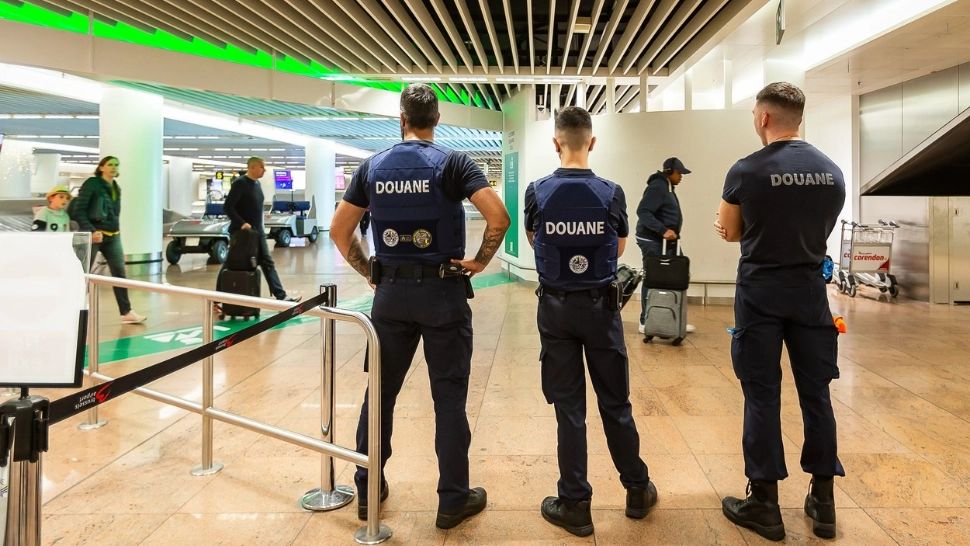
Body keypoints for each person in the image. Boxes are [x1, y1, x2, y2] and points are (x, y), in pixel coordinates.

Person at [329, 83, 509, 529]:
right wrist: (479, 262)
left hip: (390, 297)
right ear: (437, 120)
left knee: (381, 394)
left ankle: (368, 489)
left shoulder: (372, 167)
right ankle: (452, 500)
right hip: (444, 294)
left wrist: (370, 271)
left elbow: (339, 230)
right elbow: (499, 217)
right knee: (449, 398)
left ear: (402, 119)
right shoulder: (454, 162)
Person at [715, 82, 846, 542]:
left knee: (762, 395)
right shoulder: (832, 172)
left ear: (765, 118)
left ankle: (765, 504)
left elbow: (729, 232)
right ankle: (823, 502)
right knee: (817, 396)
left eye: (754, 113)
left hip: (761, 294)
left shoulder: (746, 170)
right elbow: (821, 229)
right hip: (811, 292)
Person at [524, 106, 657, 537]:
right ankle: (637, 490)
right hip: (602, 310)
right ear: (592, 142)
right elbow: (618, 249)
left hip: (556, 310)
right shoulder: (611, 191)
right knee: (616, 404)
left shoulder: (536, 191)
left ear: (556, 142)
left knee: (569, 409)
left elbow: (534, 240)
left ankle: (575, 503)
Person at [71, 156, 147, 324]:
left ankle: (126, 312)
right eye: (110, 164)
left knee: (119, 273)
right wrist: (91, 231)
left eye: (116, 165)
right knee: (82, 273)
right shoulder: (92, 184)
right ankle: (73, 308)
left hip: (113, 236)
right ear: (101, 167)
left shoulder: (115, 187)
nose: (113, 167)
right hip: (94, 236)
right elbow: (79, 210)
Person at [223, 156, 300, 302]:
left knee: (267, 262)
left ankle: (281, 295)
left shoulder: (256, 184)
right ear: (252, 167)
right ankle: (218, 298)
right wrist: (242, 223)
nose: (264, 170)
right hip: (242, 234)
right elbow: (228, 207)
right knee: (232, 264)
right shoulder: (240, 184)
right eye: (261, 167)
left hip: (257, 233)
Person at [635, 157, 695, 334]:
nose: (681, 176)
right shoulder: (658, 187)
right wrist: (662, 230)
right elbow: (643, 211)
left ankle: (674, 320)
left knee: (678, 275)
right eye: (679, 173)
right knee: (653, 277)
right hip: (653, 240)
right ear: (670, 171)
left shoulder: (668, 187)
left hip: (666, 241)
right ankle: (645, 321)